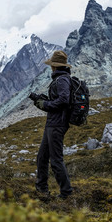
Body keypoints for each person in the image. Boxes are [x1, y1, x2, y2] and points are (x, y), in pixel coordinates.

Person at [29, 50, 74, 199]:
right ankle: (42, 189)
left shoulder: (62, 80)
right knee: (42, 157)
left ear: (54, 66)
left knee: (55, 160)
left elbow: (63, 100)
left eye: (52, 65)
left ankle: (66, 193)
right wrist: (42, 101)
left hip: (57, 124)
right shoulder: (60, 79)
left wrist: (45, 104)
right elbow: (59, 99)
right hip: (52, 123)